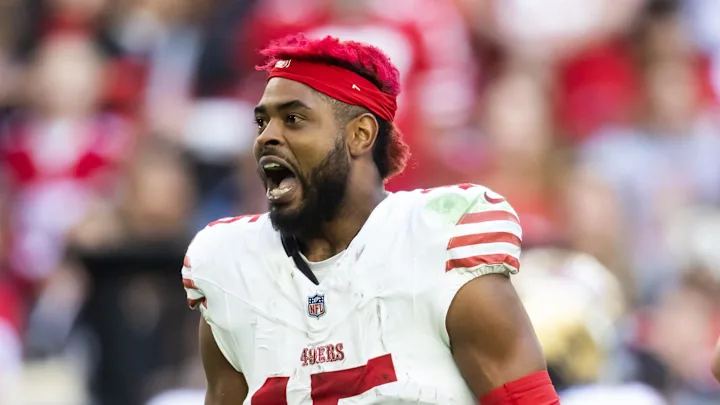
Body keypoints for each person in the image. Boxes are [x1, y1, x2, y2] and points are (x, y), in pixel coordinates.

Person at [182, 34, 560, 405]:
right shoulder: (229, 265)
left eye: (293, 119)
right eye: (262, 122)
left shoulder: (438, 239)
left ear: (360, 134)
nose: (267, 137)